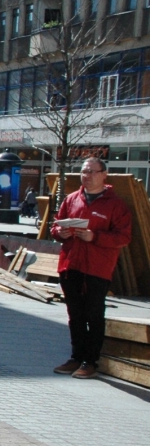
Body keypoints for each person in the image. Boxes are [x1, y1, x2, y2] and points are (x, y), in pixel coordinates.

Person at [50, 158, 132, 380]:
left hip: (97, 267)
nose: (87, 176)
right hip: (71, 265)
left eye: (92, 172)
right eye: (84, 171)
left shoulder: (115, 205)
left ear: (104, 174)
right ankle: (76, 357)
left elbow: (123, 237)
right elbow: (56, 225)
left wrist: (95, 237)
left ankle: (90, 361)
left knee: (94, 315)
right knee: (75, 314)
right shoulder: (71, 199)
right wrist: (60, 233)